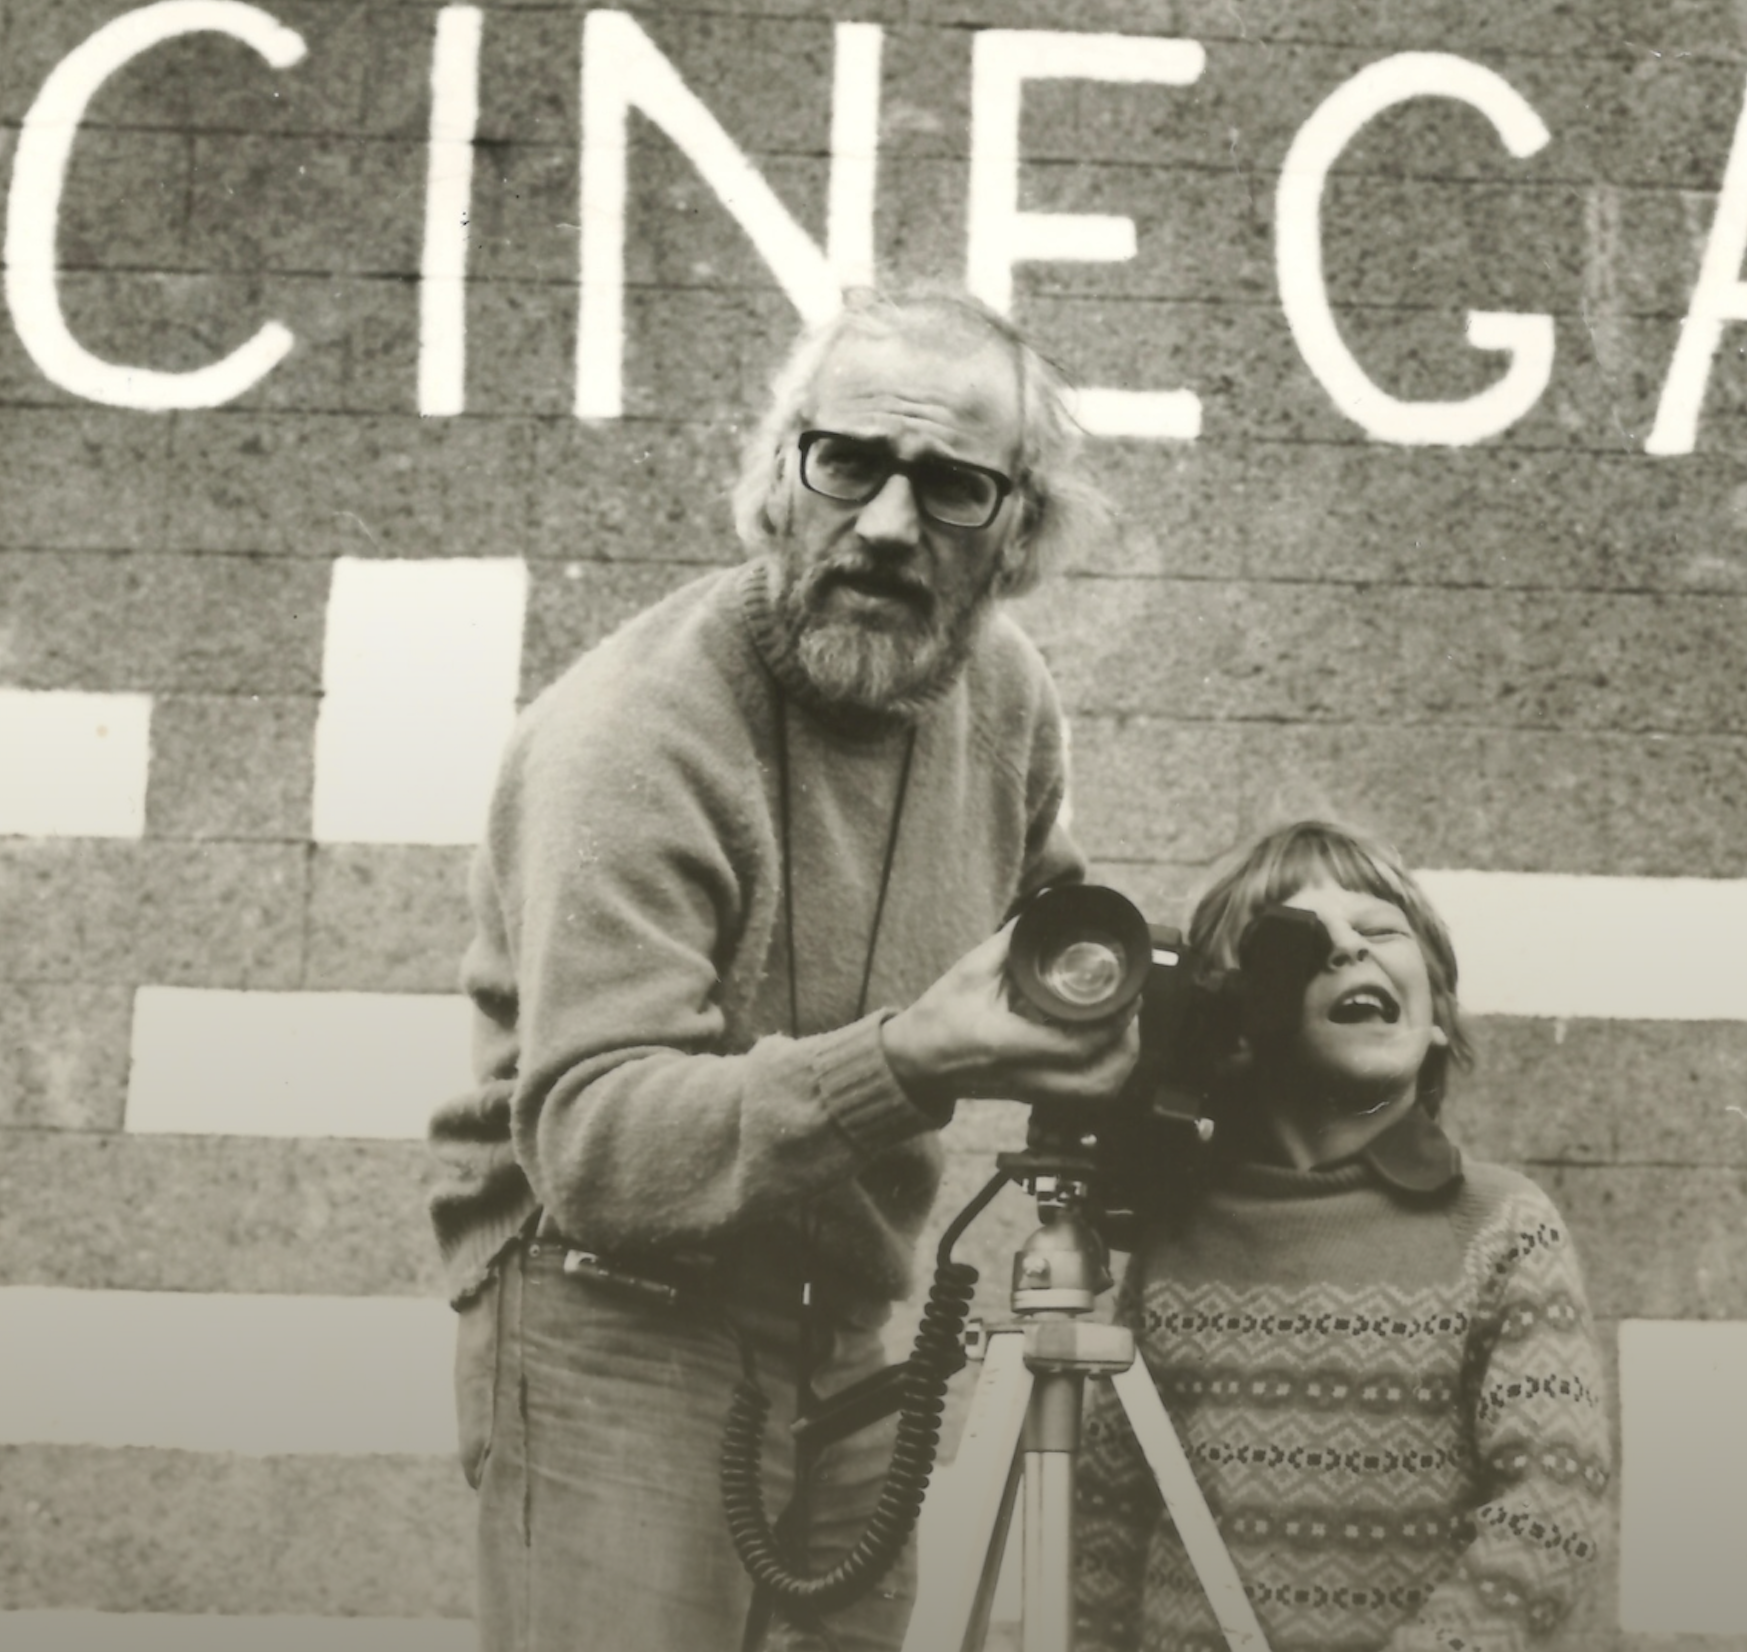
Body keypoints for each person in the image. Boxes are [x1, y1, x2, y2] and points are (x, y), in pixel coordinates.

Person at [426, 285, 1136, 1652]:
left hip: (846, 1333)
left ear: (1018, 530)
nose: (883, 524)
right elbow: (598, 1144)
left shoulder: (1001, 697)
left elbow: (1049, 930)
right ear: (778, 475)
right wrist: (908, 1059)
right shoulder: (635, 735)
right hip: (609, 1315)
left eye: (950, 487)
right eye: (848, 462)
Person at [1072, 820, 1614, 1651]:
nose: (1348, 951)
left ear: (1436, 1014)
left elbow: (1552, 1505)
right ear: (1234, 1023)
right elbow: (1110, 1520)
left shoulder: (1501, 1228)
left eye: (1379, 931)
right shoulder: (1177, 1238)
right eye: (1298, 940)